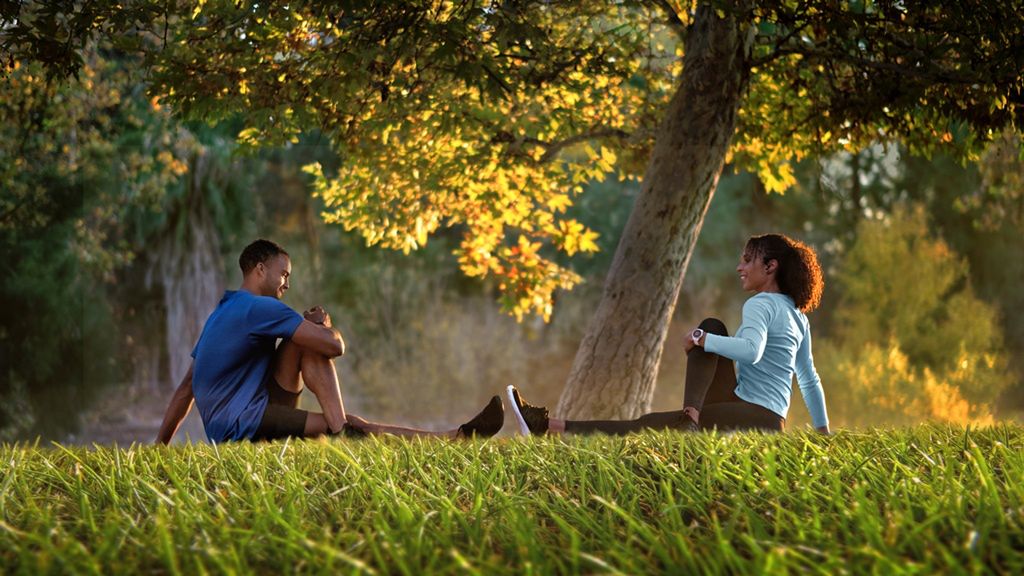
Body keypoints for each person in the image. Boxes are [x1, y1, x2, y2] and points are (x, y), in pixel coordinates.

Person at [156, 239, 503, 444]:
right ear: (260, 269)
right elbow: (335, 347)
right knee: (353, 423)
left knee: (304, 339)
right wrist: (326, 326)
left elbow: (186, 389)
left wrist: (160, 446)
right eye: (283, 274)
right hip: (245, 425)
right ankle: (452, 438)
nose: (286, 284)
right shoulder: (260, 308)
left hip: (227, 425)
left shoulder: (222, 311)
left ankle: (344, 427)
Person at [507, 233, 830, 436]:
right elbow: (809, 379)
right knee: (712, 326)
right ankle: (690, 417)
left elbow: (751, 351)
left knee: (645, 424)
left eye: (748, 260)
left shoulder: (761, 304)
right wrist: (823, 433)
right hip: (772, 420)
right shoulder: (798, 317)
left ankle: (548, 428)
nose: (740, 267)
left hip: (751, 414)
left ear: (770, 267)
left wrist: (702, 340)